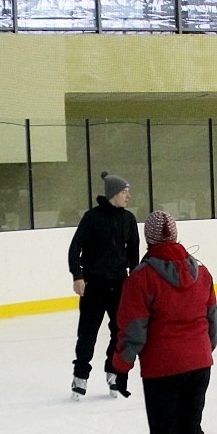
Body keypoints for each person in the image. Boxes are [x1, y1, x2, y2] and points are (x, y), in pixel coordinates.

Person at [112, 211, 217, 434]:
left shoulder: (142, 278)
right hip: (199, 363)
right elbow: (212, 319)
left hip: (162, 368)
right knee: (192, 428)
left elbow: (133, 328)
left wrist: (121, 366)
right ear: (174, 236)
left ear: (149, 238)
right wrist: (201, 350)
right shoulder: (202, 272)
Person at [67, 170, 139, 399]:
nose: (128, 196)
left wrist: (134, 280)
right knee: (88, 333)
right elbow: (75, 248)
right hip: (94, 285)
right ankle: (80, 377)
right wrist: (78, 276)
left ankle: (113, 372)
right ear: (113, 194)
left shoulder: (128, 220)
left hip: (119, 284)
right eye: (124, 192)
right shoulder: (92, 218)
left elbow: (134, 252)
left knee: (119, 332)